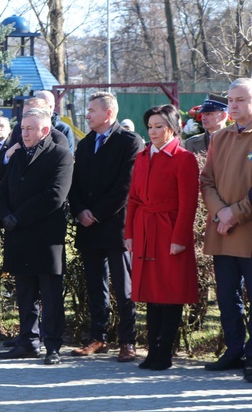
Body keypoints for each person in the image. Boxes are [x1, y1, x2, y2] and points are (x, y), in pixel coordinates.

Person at [0, 108, 73, 365]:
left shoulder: (61, 156)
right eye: (22, 128)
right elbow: (2, 190)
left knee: (50, 294)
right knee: (25, 292)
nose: (23, 133)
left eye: (29, 129)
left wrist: (18, 217)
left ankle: (52, 345)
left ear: (45, 131)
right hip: (18, 235)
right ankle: (28, 341)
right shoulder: (17, 156)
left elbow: (54, 195)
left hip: (45, 237)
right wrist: (5, 215)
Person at [69, 92, 142, 362]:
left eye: (91, 110)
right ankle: (98, 337)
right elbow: (74, 183)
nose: (87, 115)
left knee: (124, 286)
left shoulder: (129, 141)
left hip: (115, 227)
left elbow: (125, 186)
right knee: (95, 284)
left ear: (108, 114)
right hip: (88, 227)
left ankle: (127, 340)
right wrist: (80, 211)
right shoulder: (86, 144)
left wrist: (96, 213)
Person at [125, 105, 199, 371]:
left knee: (170, 292)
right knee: (151, 293)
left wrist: (179, 238)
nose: (153, 131)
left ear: (172, 127)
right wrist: (130, 234)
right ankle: (152, 350)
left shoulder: (183, 158)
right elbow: (133, 198)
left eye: (159, 126)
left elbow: (188, 203)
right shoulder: (143, 157)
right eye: (151, 127)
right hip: (145, 230)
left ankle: (165, 351)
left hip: (169, 232)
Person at [200, 79, 252, 380]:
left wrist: (236, 213)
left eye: (240, 100)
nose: (233, 105)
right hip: (223, 231)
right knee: (227, 296)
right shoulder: (220, 138)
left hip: (245, 232)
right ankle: (234, 350)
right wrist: (220, 212)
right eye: (231, 100)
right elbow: (206, 180)